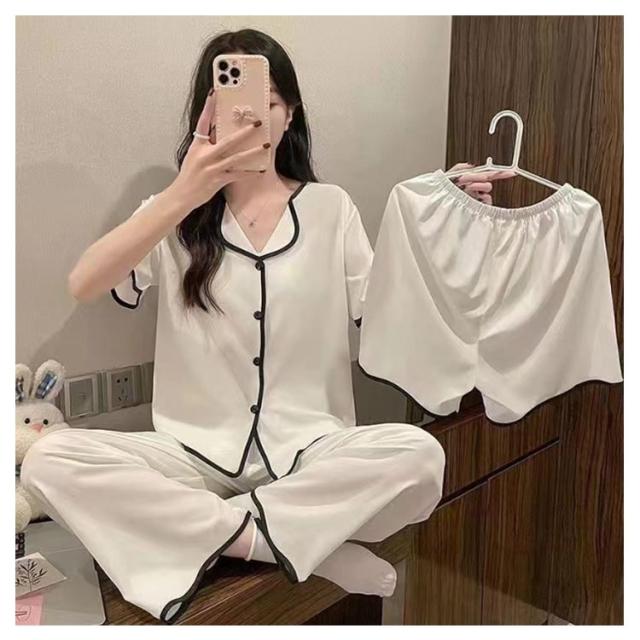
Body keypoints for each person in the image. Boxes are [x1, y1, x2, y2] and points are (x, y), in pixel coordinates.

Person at [20, 28, 513, 624]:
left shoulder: (331, 209)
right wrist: (183, 193)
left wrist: (441, 223)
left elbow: (390, 315)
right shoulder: (173, 216)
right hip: (192, 458)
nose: (252, 118)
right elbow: (84, 283)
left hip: (310, 453)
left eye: (269, 103)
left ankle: (227, 532)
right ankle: (287, 544)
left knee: (419, 456)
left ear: (290, 114)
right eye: (233, 105)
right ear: (206, 116)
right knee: (48, 460)